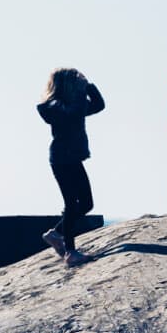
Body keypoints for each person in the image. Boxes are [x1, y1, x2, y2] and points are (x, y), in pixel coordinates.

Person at [36, 67, 105, 267]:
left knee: (86, 203)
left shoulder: (73, 104)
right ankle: (70, 252)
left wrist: (89, 87)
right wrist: (83, 92)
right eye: (77, 80)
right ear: (67, 84)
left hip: (71, 158)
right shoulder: (55, 106)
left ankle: (56, 234)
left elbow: (99, 106)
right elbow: (73, 114)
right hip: (62, 158)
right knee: (72, 203)